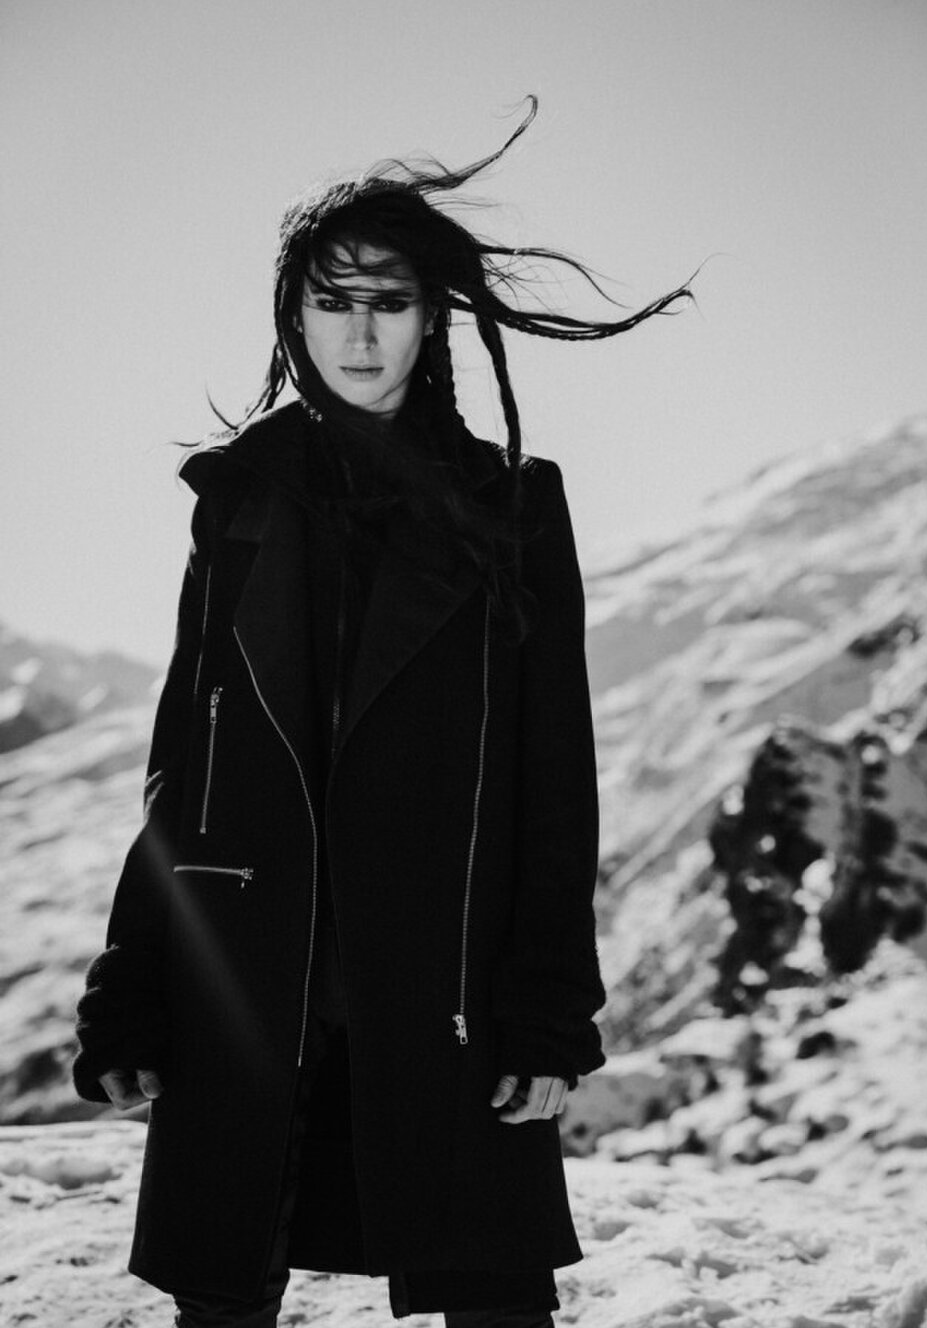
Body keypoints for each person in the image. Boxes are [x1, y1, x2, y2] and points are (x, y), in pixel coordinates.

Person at [72, 98, 692, 1327]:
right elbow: (181, 767)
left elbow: (551, 777)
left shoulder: (510, 506)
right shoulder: (237, 502)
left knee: (495, 1300)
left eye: (389, 300)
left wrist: (547, 1006)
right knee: (221, 1297)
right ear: (294, 316)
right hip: (252, 972)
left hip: (443, 975)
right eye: (332, 299)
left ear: (431, 319)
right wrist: (130, 987)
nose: (360, 331)